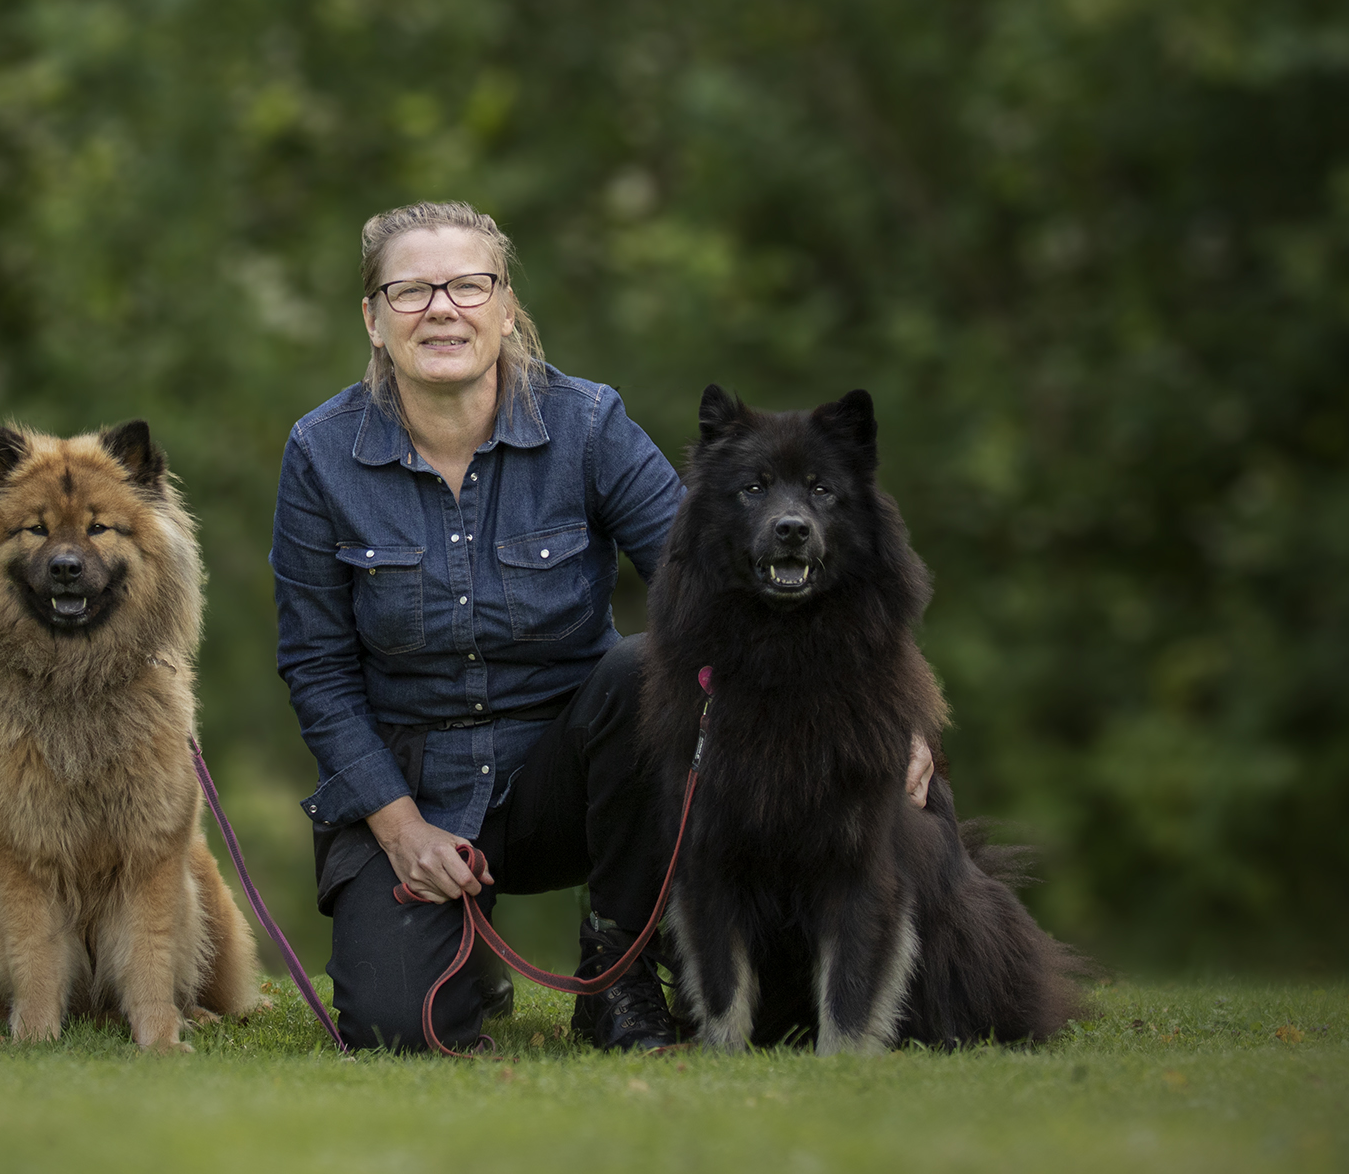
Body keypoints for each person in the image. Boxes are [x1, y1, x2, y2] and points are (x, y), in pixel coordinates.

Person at [269, 201, 933, 1053]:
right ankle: (463, 957)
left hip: (578, 779)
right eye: (410, 291)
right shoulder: (320, 453)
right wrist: (400, 832)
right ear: (372, 319)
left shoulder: (587, 424)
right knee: (403, 1029)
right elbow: (316, 668)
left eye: (469, 285)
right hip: (412, 789)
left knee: (642, 667)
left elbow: (711, 576)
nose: (442, 307)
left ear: (506, 308)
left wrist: (885, 712)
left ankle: (617, 970)